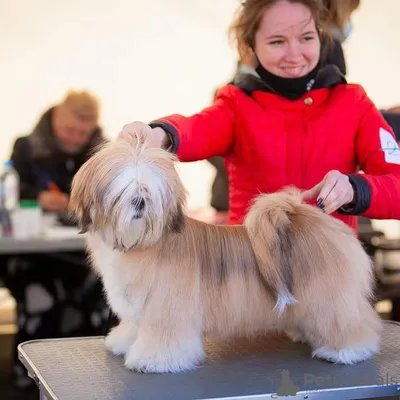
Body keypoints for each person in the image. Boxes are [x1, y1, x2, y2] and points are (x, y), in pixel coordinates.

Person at [118, 0, 400, 231]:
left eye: (306, 38)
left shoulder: (353, 102)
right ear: (249, 47)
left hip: (330, 273)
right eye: (277, 42)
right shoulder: (236, 103)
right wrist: (159, 134)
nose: (294, 55)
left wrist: (354, 188)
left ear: (320, 36)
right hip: (250, 273)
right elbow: (198, 128)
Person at [2, 90, 109, 392]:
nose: (76, 139)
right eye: (70, 131)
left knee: (99, 294)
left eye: (83, 133)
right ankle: (30, 377)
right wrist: (38, 197)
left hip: (79, 251)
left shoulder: (100, 152)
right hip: (33, 253)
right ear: (55, 120)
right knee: (43, 296)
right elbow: (11, 192)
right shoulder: (26, 147)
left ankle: (89, 375)